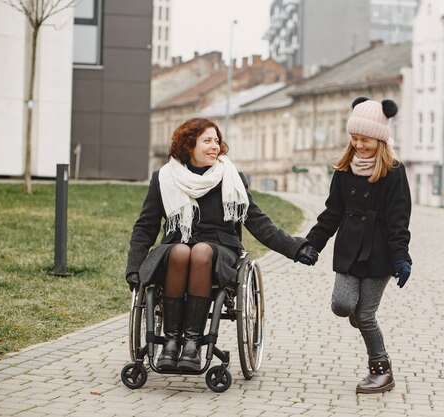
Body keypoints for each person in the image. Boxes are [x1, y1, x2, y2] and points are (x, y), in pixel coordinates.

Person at [125, 117, 318, 372]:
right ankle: (171, 342)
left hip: (220, 253)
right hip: (175, 250)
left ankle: (193, 343)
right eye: (207, 141)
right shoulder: (164, 178)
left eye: (216, 140)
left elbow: (257, 221)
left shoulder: (230, 177)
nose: (215, 146)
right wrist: (134, 267)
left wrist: (295, 247)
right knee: (183, 250)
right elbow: (145, 227)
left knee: (202, 251)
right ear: (188, 145)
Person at [305, 97, 412, 394]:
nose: (359, 144)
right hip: (350, 250)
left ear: (380, 138)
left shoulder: (394, 171)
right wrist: (312, 244)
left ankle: (381, 370)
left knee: (366, 315)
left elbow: (399, 220)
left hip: (381, 254)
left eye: (365, 139)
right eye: (354, 138)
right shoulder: (343, 170)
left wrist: (402, 258)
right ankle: (360, 315)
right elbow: (331, 213)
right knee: (342, 305)